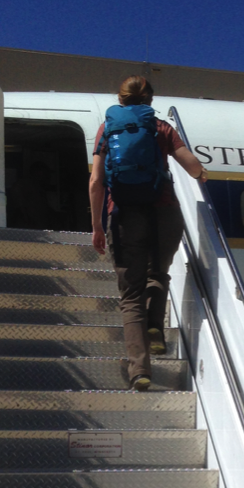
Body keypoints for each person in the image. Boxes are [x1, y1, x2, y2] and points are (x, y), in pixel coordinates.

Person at [89, 76, 206, 390]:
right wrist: (203, 173)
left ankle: (140, 371)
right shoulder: (161, 128)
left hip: (124, 215)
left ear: (121, 99)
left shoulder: (107, 129)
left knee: (130, 296)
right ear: (149, 100)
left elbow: (96, 182)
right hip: (163, 211)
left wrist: (98, 226)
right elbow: (192, 167)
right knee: (159, 272)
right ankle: (155, 325)